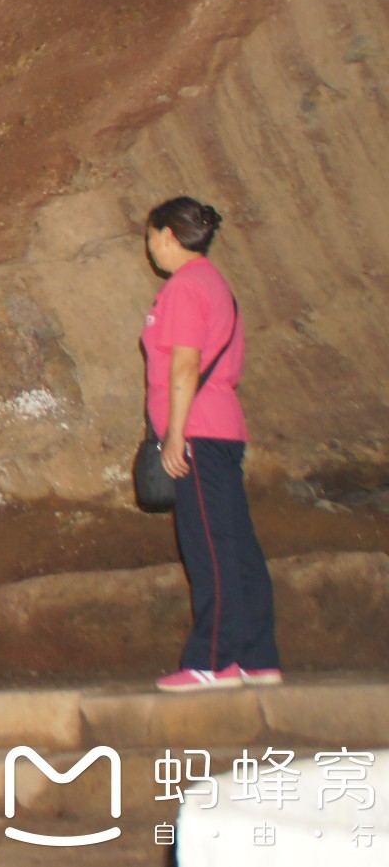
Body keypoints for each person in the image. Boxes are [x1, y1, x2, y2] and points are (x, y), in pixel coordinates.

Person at [142, 196, 280, 694]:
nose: (151, 247)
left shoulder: (184, 288)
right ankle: (257, 657)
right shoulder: (215, 284)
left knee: (209, 545)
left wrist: (175, 434)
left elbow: (184, 364)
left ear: (168, 236)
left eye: (152, 237)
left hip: (198, 429)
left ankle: (214, 660)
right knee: (237, 544)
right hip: (222, 428)